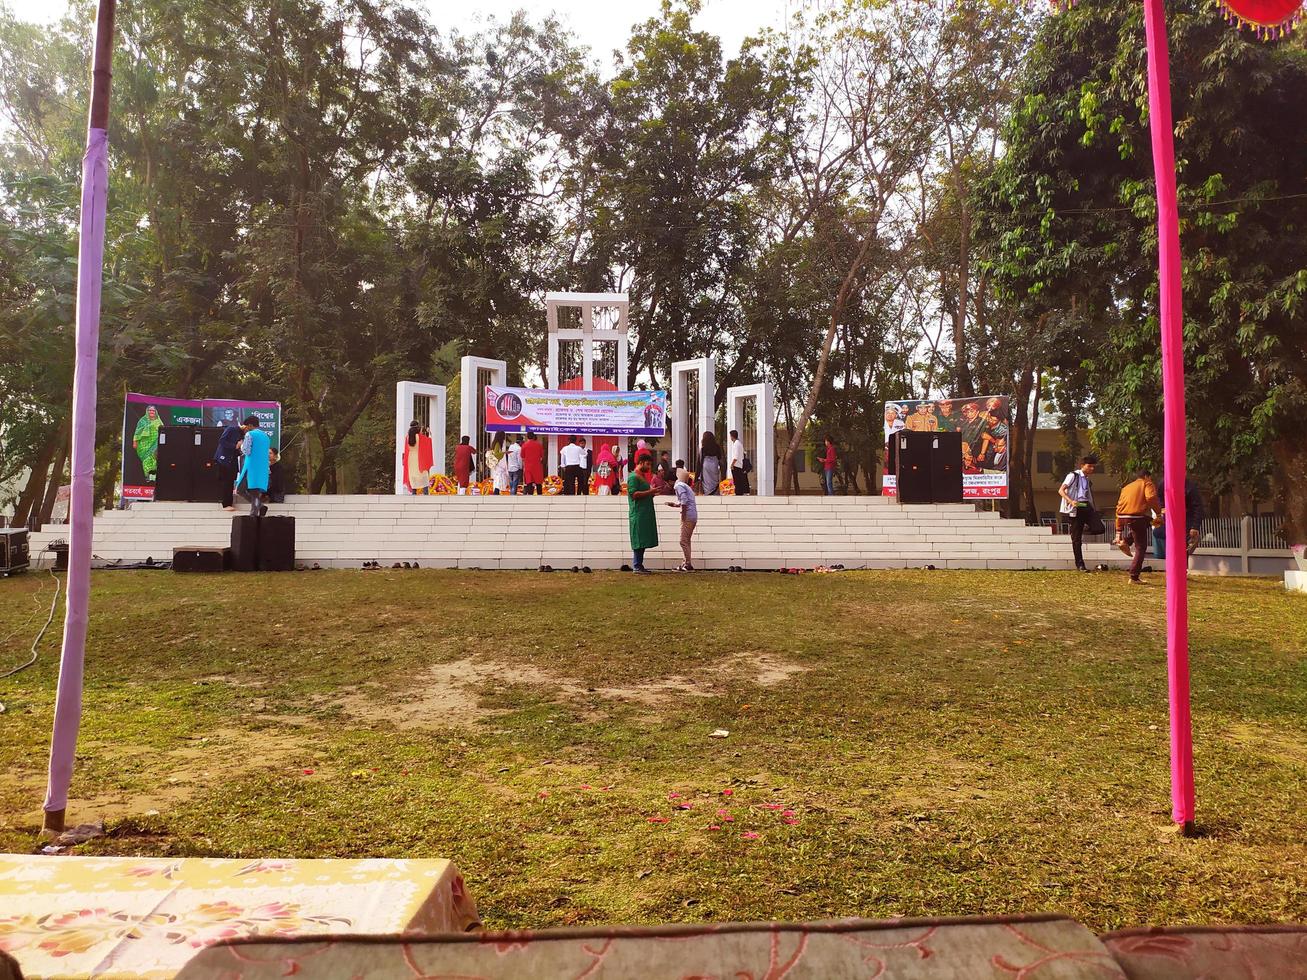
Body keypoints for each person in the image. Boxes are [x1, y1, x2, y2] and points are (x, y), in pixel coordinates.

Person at [1115, 468, 1164, 584]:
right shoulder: (1147, 483)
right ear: (1147, 476)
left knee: (1148, 521)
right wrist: (1158, 512)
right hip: (1136, 517)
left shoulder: (1127, 487)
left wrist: (1118, 530)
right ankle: (1134, 576)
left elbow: (1118, 507)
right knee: (1141, 547)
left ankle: (1126, 541)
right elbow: (1151, 497)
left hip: (1123, 516)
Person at [1058, 455, 1101, 573]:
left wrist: (1093, 508)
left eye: (1093, 467)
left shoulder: (1087, 479)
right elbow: (1061, 490)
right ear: (1082, 466)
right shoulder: (1073, 475)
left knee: (1100, 527)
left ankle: (1082, 529)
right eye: (1089, 466)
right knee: (1076, 539)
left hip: (1086, 505)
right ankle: (1080, 564)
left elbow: (1088, 495)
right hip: (1075, 507)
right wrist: (1071, 501)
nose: (1091, 469)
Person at [1154, 476, 1204, 561]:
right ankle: (1186, 542)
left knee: (1181, 542)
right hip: (1170, 517)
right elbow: (1159, 496)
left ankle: (1189, 543)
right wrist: (1163, 507)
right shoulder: (1164, 483)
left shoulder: (1190, 487)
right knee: (1157, 532)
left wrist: (1195, 526)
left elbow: (1198, 507)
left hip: (1186, 517)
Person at [626, 457, 659, 573]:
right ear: (640, 463)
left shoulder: (642, 477)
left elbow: (643, 494)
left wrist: (652, 493)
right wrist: (650, 492)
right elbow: (634, 494)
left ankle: (639, 564)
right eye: (647, 464)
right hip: (638, 513)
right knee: (639, 538)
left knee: (643, 539)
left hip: (645, 512)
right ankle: (636, 565)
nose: (649, 467)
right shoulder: (633, 477)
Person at [235, 416, 271, 517]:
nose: (246, 428)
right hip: (262, 466)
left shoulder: (250, 434)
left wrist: (241, 445)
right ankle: (260, 507)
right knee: (255, 490)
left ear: (250, 425)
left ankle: (254, 513)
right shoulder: (265, 436)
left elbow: (246, 450)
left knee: (241, 489)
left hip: (251, 465)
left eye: (247, 426)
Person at [666, 467, 698, 571]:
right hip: (692, 515)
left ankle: (687, 564)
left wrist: (683, 515)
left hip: (688, 515)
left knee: (683, 541)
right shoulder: (685, 486)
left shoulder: (678, 486)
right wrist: (675, 505)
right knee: (686, 541)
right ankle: (686, 563)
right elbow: (684, 501)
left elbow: (684, 501)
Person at [215, 416, 243, 511]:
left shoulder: (243, 435)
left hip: (233, 460)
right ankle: (226, 504)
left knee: (231, 480)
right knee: (226, 481)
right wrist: (235, 446)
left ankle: (229, 503)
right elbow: (222, 441)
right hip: (224, 459)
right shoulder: (231, 429)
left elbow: (237, 449)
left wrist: (239, 451)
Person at [133, 405, 163, 484]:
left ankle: (153, 477)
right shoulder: (142, 421)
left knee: (153, 459)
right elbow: (137, 432)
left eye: (153, 411)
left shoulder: (158, 421)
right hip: (144, 445)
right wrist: (135, 442)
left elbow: (163, 431)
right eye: (150, 410)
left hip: (155, 444)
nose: (151, 412)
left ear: (155, 412)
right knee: (146, 460)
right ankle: (148, 476)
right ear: (147, 411)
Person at [403, 420, 430, 494]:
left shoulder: (407, 437)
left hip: (410, 458)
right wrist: (427, 433)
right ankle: (425, 492)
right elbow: (428, 442)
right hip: (419, 457)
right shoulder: (420, 437)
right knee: (423, 474)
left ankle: (414, 492)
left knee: (413, 474)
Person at [728, 429, 750, 495]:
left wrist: (732, 464)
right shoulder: (739, 443)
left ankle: (738, 493)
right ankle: (740, 492)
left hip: (736, 465)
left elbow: (736, 456)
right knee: (739, 480)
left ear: (732, 436)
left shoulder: (736, 444)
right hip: (740, 465)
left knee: (737, 481)